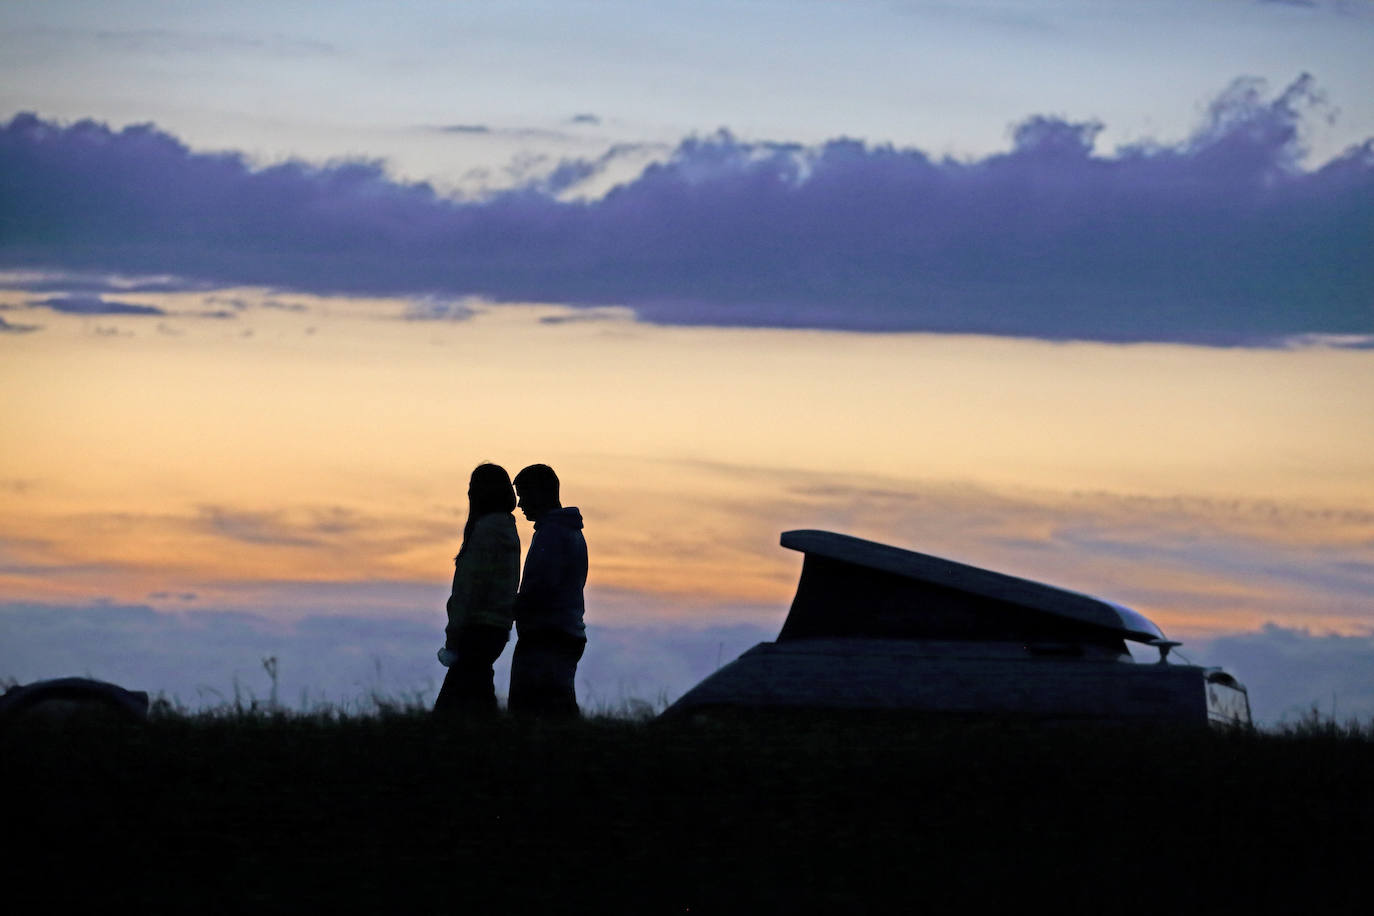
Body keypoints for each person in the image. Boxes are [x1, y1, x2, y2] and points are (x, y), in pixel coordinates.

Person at [434, 463, 520, 717]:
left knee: (451, 709)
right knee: (479, 698)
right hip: (497, 629)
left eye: (473, 487)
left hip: (475, 629)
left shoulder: (485, 532)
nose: (469, 493)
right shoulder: (507, 529)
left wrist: (453, 634)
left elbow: (468, 588)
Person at [508, 464, 587, 717]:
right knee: (558, 709)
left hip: (547, 636)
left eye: (524, 495)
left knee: (534, 712)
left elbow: (540, 589)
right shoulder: (566, 532)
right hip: (563, 633)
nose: (520, 504)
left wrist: (511, 607)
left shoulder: (552, 534)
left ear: (540, 493)